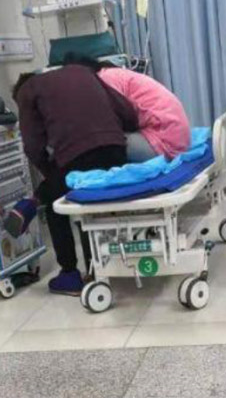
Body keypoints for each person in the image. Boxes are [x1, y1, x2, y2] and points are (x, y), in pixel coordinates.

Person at [12, 63, 138, 296]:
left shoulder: (27, 91)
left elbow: (33, 146)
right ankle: (96, 267)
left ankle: (70, 274)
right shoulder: (82, 71)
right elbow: (127, 112)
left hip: (77, 158)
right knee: (85, 196)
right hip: (116, 151)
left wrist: (48, 171)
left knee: (57, 202)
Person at [97, 66, 191, 162]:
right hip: (179, 136)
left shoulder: (105, 80)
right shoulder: (117, 75)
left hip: (165, 142)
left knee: (103, 145)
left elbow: (116, 122)